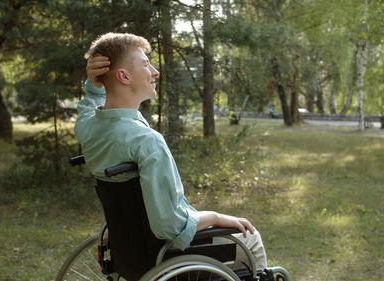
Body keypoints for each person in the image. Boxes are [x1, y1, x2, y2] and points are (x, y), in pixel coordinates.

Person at [76, 32, 270, 275]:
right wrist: (216, 216)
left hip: (128, 254)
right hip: (162, 256)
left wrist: (93, 82)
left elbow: (88, 104)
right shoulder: (146, 141)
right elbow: (170, 225)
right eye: (146, 64)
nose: (156, 72)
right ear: (124, 76)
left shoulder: (88, 128)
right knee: (250, 237)